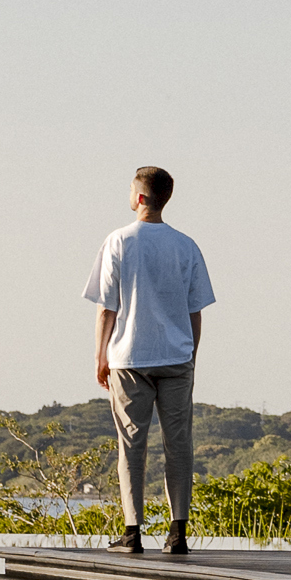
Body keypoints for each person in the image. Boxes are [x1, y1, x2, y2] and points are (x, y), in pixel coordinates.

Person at [83, 163, 216, 556]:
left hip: (129, 356)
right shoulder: (186, 245)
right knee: (179, 445)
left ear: (140, 197)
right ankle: (177, 533)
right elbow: (196, 310)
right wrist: (190, 353)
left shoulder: (119, 241)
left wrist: (99, 356)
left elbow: (106, 308)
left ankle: (132, 531)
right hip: (176, 357)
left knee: (132, 445)